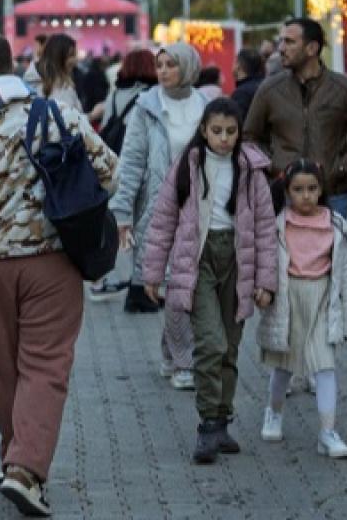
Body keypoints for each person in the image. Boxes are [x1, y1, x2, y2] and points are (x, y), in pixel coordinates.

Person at [0, 32, 118, 517]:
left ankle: (14, 460)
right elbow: (109, 171)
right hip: (51, 261)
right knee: (45, 366)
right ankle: (24, 470)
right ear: (15, 66)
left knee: (6, 370)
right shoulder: (56, 116)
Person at [140, 99, 278, 464]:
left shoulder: (251, 169)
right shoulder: (188, 166)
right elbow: (163, 220)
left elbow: (265, 229)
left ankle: (221, 421)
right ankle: (206, 425)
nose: (223, 138)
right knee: (211, 343)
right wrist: (152, 273)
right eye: (216, 131)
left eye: (231, 132)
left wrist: (266, 280)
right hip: (198, 262)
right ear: (204, 130)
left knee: (230, 348)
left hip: (237, 261)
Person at [110, 43, 207, 390]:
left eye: (171, 64)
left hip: (201, 209)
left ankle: (172, 350)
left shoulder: (207, 107)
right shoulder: (147, 106)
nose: (163, 71)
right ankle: (183, 360)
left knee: (193, 285)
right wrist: (122, 211)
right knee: (168, 284)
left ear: (188, 67)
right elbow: (132, 159)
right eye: (160, 64)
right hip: (159, 208)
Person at [256, 159, 347, 459]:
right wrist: (262, 290)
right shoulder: (278, 225)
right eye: (298, 190)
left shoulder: (335, 225)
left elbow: (345, 277)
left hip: (322, 303)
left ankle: (327, 432)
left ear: (321, 190)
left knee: (325, 367)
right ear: (287, 191)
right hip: (289, 303)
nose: (306, 196)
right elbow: (267, 264)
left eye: (312, 189)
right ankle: (273, 412)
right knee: (284, 366)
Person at [244, 18, 347, 220]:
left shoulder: (345, 88)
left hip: (333, 194)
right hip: (285, 194)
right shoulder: (269, 90)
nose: (281, 49)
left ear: (312, 48)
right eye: (281, 42)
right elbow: (249, 137)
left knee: (332, 252)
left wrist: (344, 167)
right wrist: (274, 165)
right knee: (286, 253)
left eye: (290, 42)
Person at [87, 49, 158, 301]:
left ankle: (101, 276)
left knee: (114, 221)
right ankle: (145, 279)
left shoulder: (116, 94)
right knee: (145, 221)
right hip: (145, 166)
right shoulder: (154, 96)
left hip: (116, 165)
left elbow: (106, 125)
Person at [36, 34, 82, 110]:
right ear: (58, 58)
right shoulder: (60, 87)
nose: (75, 60)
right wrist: (92, 115)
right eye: (71, 55)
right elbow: (67, 120)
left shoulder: (37, 80)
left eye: (75, 55)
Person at [230, 49, 266, 119]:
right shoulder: (266, 86)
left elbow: (237, 122)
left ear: (238, 65)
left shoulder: (241, 94)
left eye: (234, 62)